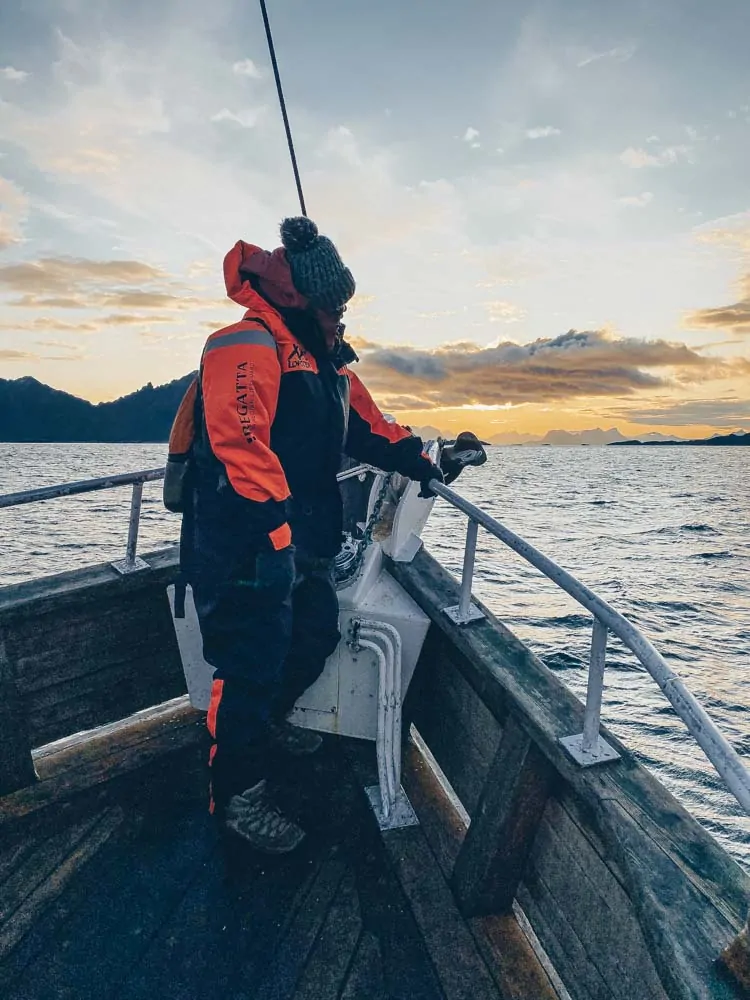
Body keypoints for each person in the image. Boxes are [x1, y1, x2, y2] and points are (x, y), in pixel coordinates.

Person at [169, 216, 445, 854]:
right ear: (304, 301)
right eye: (334, 307)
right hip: (244, 542)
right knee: (248, 665)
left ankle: (264, 724)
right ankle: (237, 795)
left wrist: (422, 463)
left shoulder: (327, 368)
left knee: (313, 632)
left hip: (299, 543)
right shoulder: (244, 344)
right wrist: (273, 537)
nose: (342, 319)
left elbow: (371, 429)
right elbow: (241, 444)